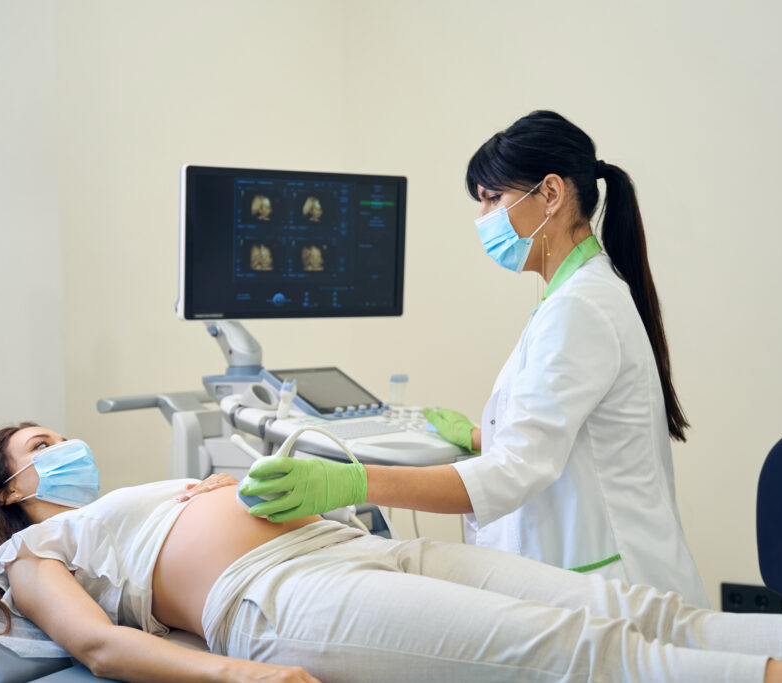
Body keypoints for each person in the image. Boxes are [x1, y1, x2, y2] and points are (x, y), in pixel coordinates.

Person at [0, 423, 782, 683]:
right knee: (591, 658)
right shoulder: (33, 553)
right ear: (10, 487)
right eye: (41, 446)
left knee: (639, 611)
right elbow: (98, 648)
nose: (63, 449)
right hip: (280, 601)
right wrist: (229, 676)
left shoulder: (142, 494)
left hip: (346, 548)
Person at [239, 110, 707, 606]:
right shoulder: (580, 295)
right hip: (597, 575)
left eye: (494, 199)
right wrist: (482, 437)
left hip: (613, 593)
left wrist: (353, 482)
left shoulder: (580, 308)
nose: (484, 220)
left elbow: (512, 474)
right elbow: (579, 434)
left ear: (551, 194)